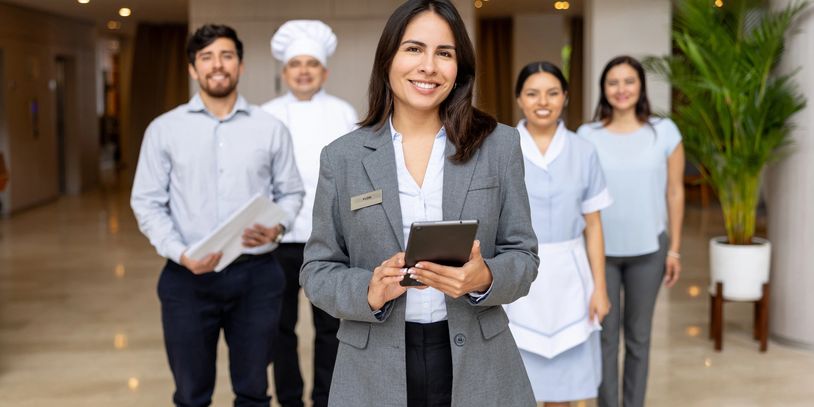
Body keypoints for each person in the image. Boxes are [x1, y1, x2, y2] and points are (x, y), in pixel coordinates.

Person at [300, 1, 539, 406]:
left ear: (459, 67)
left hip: (478, 361)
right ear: (388, 59)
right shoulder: (342, 158)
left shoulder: (499, 146)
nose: (428, 66)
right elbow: (317, 270)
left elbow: (524, 257)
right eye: (413, 49)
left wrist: (483, 278)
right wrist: (369, 289)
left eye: (444, 53)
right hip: (373, 364)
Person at [130, 24, 305, 407]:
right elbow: (146, 201)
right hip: (186, 280)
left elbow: (291, 192)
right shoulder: (164, 130)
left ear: (241, 66)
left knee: (254, 392)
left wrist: (277, 225)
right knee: (191, 395)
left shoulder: (270, 128)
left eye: (226, 56)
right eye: (206, 57)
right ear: (193, 69)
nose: (217, 65)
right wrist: (179, 251)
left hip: (257, 277)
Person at [577, 55, 685, 407]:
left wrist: (674, 250)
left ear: (640, 86)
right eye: (613, 82)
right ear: (603, 89)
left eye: (629, 81)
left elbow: (675, 191)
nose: (621, 89)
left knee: (639, 338)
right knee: (605, 339)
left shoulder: (665, 131)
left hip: (649, 253)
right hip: (600, 253)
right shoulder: (586, 135)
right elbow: (577, 195)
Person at [261, 20, 358, 407]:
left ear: (325, 71)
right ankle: (288, 399)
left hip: (329, 239)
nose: (303, 70)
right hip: (278, 238)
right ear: (284, 72)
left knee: (330, 326)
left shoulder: (344, 113)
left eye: (311, 64)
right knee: (279, 327)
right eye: (295, 64)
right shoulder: (265, 115)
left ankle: (325, 398)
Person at [504, 61, 612, 406]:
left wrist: (600, 288)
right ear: (519, 99)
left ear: (565, 97)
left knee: (565, 385)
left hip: (571, 278)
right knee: (519, 381)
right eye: (532, 93)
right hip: (518, 276)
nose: (543, 102)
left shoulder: (583, 150)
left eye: (552, 93)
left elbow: (593, 224)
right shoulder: (500, 147)